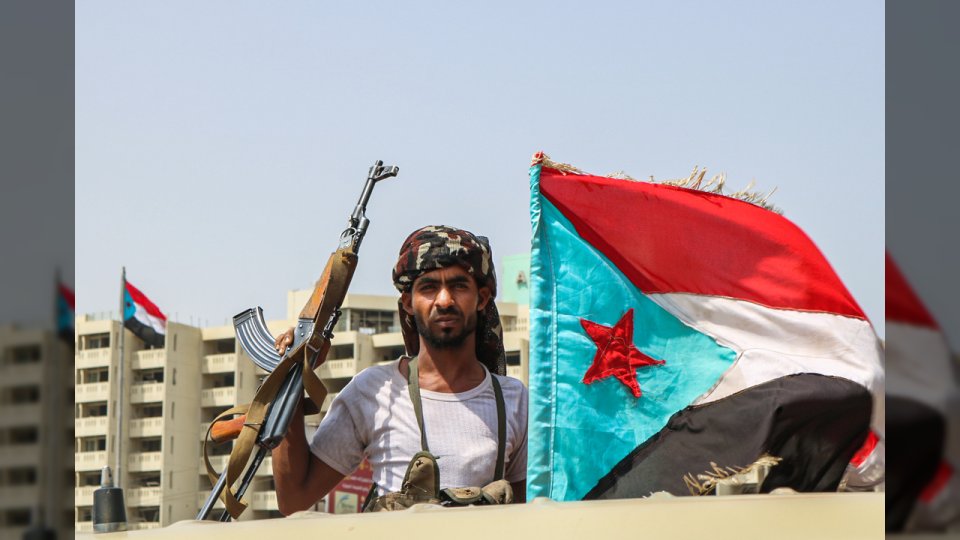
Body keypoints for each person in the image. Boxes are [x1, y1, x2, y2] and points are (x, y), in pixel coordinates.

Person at [272, 225, 528, 514]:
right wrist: (290, 381)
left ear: (481, 299)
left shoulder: (513, 400)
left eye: (458, 286)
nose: (444, 300)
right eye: (429, 288)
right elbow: (294, 500)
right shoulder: (374, 391)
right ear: (408, 302)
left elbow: (524, 513)